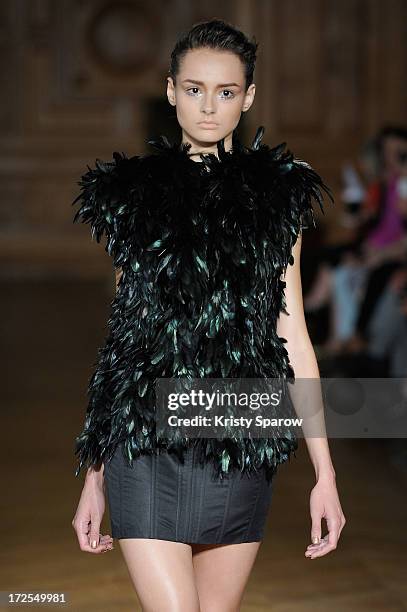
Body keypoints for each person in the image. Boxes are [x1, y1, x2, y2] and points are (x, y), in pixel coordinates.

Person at [71, 19, 346, 611]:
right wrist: (93, 476)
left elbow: (291, 332)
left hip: (238, 435)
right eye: (194, 89)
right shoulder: (133, 199)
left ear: (248, 98)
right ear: (170, 90)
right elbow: (124, 338)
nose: (208, 107)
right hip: (144, 439)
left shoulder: (278, 204)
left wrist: (325, 474)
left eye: (225, 92)